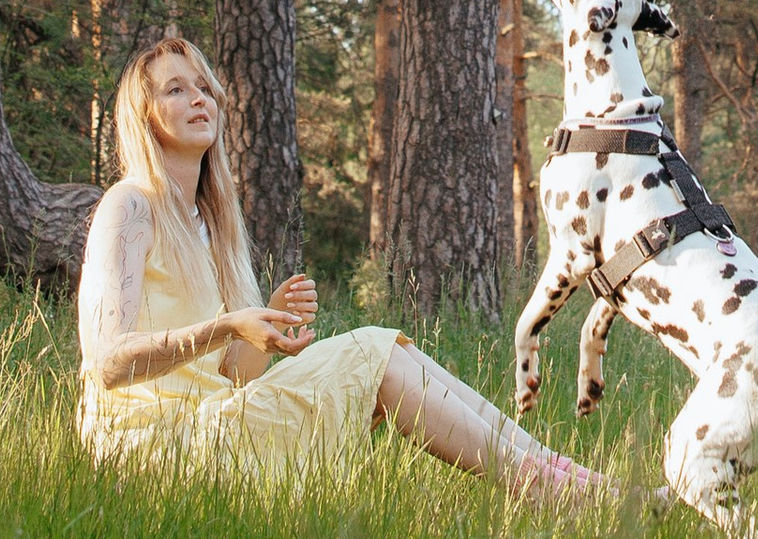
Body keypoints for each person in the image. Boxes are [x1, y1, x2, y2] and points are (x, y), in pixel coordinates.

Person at [77, 31, 604, 507]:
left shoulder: (215, 226)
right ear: (144, 115)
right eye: (174, 90)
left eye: (204, 86)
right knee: (371, 353)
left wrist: (266, 323)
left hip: (211, 428)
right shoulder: (129, 208)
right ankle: (545, 489)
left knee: (392, 350)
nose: (199, 98)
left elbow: (231, 377)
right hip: (148, 450)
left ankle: (569, 480)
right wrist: (225, 324)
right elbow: (107, 362)